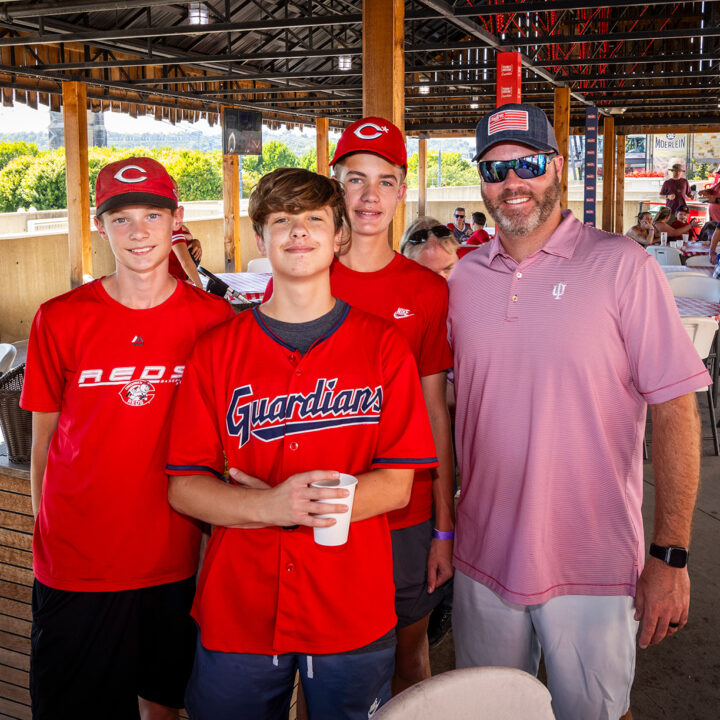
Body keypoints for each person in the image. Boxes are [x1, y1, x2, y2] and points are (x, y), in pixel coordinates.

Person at [448, 103, 711, 720]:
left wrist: (670, 555)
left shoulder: (622, 265)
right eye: (496, 169)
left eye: (529, 164)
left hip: (593, 561)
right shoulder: (463, 280)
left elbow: (675, 410)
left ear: (558, 169)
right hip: (482, 555)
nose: (513, 182)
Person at [165, 167, 438, 720]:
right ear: (260, 237)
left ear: (339, 236)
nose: (298, 232)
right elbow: (184, 488)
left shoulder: (383, 345)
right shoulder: (216, 351)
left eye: (315, 218)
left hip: (350, 605)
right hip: (239, 604)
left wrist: (292, 505)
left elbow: (396, 486)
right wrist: (269, 505)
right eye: (281, 220)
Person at [20, 157, 235, 720]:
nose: (138, 232)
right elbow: (44, 439)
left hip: (172, 553)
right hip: (78, 560)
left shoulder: (213, 322)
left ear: (176, 221)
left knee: (162, 705)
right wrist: (48, 532)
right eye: (121, 218)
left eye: (152, 215)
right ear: (99, 225)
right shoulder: (59, 319)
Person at [263, 117, 455, 693]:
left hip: (405, 513)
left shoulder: (427, 291)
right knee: (316, 665)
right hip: (319, 508)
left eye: (386, 181)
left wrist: (444, 523)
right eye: (355, 179)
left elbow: (435, 411)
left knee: (408, 658)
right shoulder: (301, 275)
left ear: (402, 188)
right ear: (334, 185)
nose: (370, 196)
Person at [698, 165, 720, 271]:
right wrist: (704, 192)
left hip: (718, 221)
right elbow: (711, 191)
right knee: (708, 238)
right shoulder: (718, 185)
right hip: (714, 220)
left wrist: (714, 201)